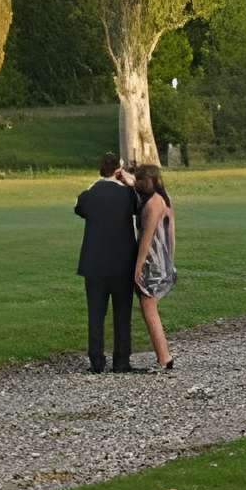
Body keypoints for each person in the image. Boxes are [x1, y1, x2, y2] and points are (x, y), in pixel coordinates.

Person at [73, 152, 143, 373]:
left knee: (96, 314)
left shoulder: (89, 195)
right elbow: (139, 207)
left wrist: (95, 184)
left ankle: (96, 361)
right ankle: (121, 360)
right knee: (122, 314)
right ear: (118, 170)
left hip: (94, 264)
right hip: (122, 263)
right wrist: (130, 182)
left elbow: (79, 208)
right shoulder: (128, 195)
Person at [130, 161, 178, 375]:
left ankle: (164, 357)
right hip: (164, 260)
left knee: (148, 309)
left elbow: (146, 238)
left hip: (152, 262)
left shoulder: (151, 205)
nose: (137, 183)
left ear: (147, 181)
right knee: (149, 308)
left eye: (140, 180)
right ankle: (163, 356)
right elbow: (171, 235)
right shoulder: (164, 199)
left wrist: (138, 267)